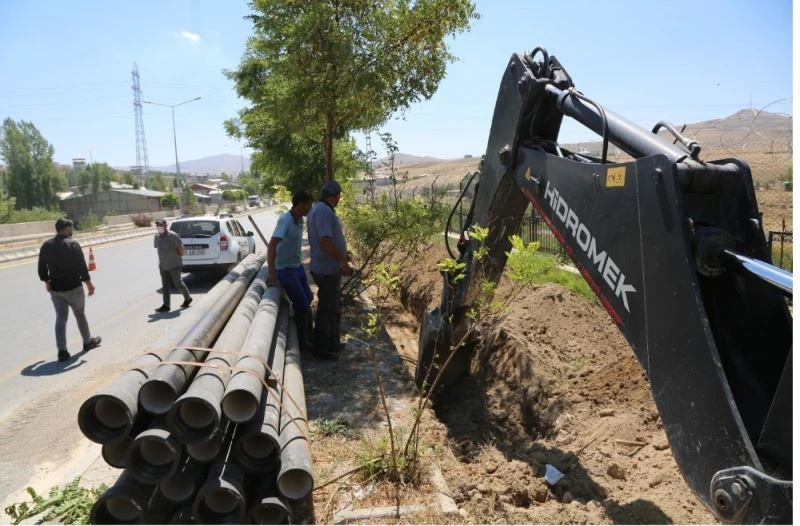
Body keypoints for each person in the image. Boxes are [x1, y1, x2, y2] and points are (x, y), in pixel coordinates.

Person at [37, 218, 102, 362]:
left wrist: (47, 281)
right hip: (73, 288)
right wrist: (89, 284)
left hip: (56, 290)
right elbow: (82, 267)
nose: (72, 231)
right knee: (80, 314)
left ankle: (62, 351)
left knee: (61, 318)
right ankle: (87, 342)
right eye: (71, 228)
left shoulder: (46, 245)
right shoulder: (72, 244)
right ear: (66, 228)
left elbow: (41, 268)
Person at [307, 180, 351, 361]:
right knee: (326, 310)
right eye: (339, 196)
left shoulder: (320, 209)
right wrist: (341, 260)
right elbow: (325, 241)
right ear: (336, 195)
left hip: (327, 267)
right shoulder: (324, 212)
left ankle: (332, 343)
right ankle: (321, 350)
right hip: (326, 269)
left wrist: (342, 254)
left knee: (333, 308)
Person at [266, 190, 315, 350]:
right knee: (302, 304)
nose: (309, 209)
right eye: (308, 206)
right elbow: (272, 245)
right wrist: (272, 273)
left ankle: (305, 332)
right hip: (285, 269)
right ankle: (303, 341)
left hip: (297, 266)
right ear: (299, 205)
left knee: (309, 297)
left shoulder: (300, 220)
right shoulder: (285, 220)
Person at [153, 218, 192, 312]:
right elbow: (159, 249)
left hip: (174, 265)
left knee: (177, 283)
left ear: (166, 226)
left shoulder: (173, 236)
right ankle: (166, 305)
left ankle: (187, 298)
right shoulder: (157, 236)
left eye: (161, 225)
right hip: (163, 265)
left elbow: (181, 249)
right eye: (157, 225)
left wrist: (178, 259)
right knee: (165, 285)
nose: (159, 227)